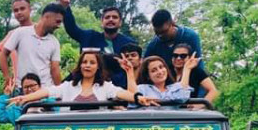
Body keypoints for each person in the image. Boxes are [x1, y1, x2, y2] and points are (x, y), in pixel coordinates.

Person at [9, 50, 157, 107]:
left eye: (92, 62)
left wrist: (139, 98)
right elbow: (48, 91)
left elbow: (122, 94)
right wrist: (25, 98)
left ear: (98, 66)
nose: (87, 65)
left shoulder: (105, 87)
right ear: (80, 66)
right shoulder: (69, 87)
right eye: (84, 62)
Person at [58, 0, 137, 90]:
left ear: (120, 22)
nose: (111, 19)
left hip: (119, 90)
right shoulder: (89, 37)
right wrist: (65, 7)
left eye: (114, 17)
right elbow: (72, 29)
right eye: (107, 17)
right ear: (102, 22)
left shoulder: (129, 43)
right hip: (87, 86)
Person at [0, 3, 65, 94]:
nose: (58, 26)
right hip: (23, 90)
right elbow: (3, 54)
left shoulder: (54, 42)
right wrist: (7, 77)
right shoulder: (21, 33)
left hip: (45, 91)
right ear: (47, 17)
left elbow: (55, 69)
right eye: (58, 21)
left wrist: (60, 92)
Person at [0, 0, 34, 83]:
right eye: (16, 10)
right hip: (19, 86)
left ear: (30, 9)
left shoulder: (40, 30)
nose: (19, 12)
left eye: (22, 8)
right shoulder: (12, 34)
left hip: (41, 85)